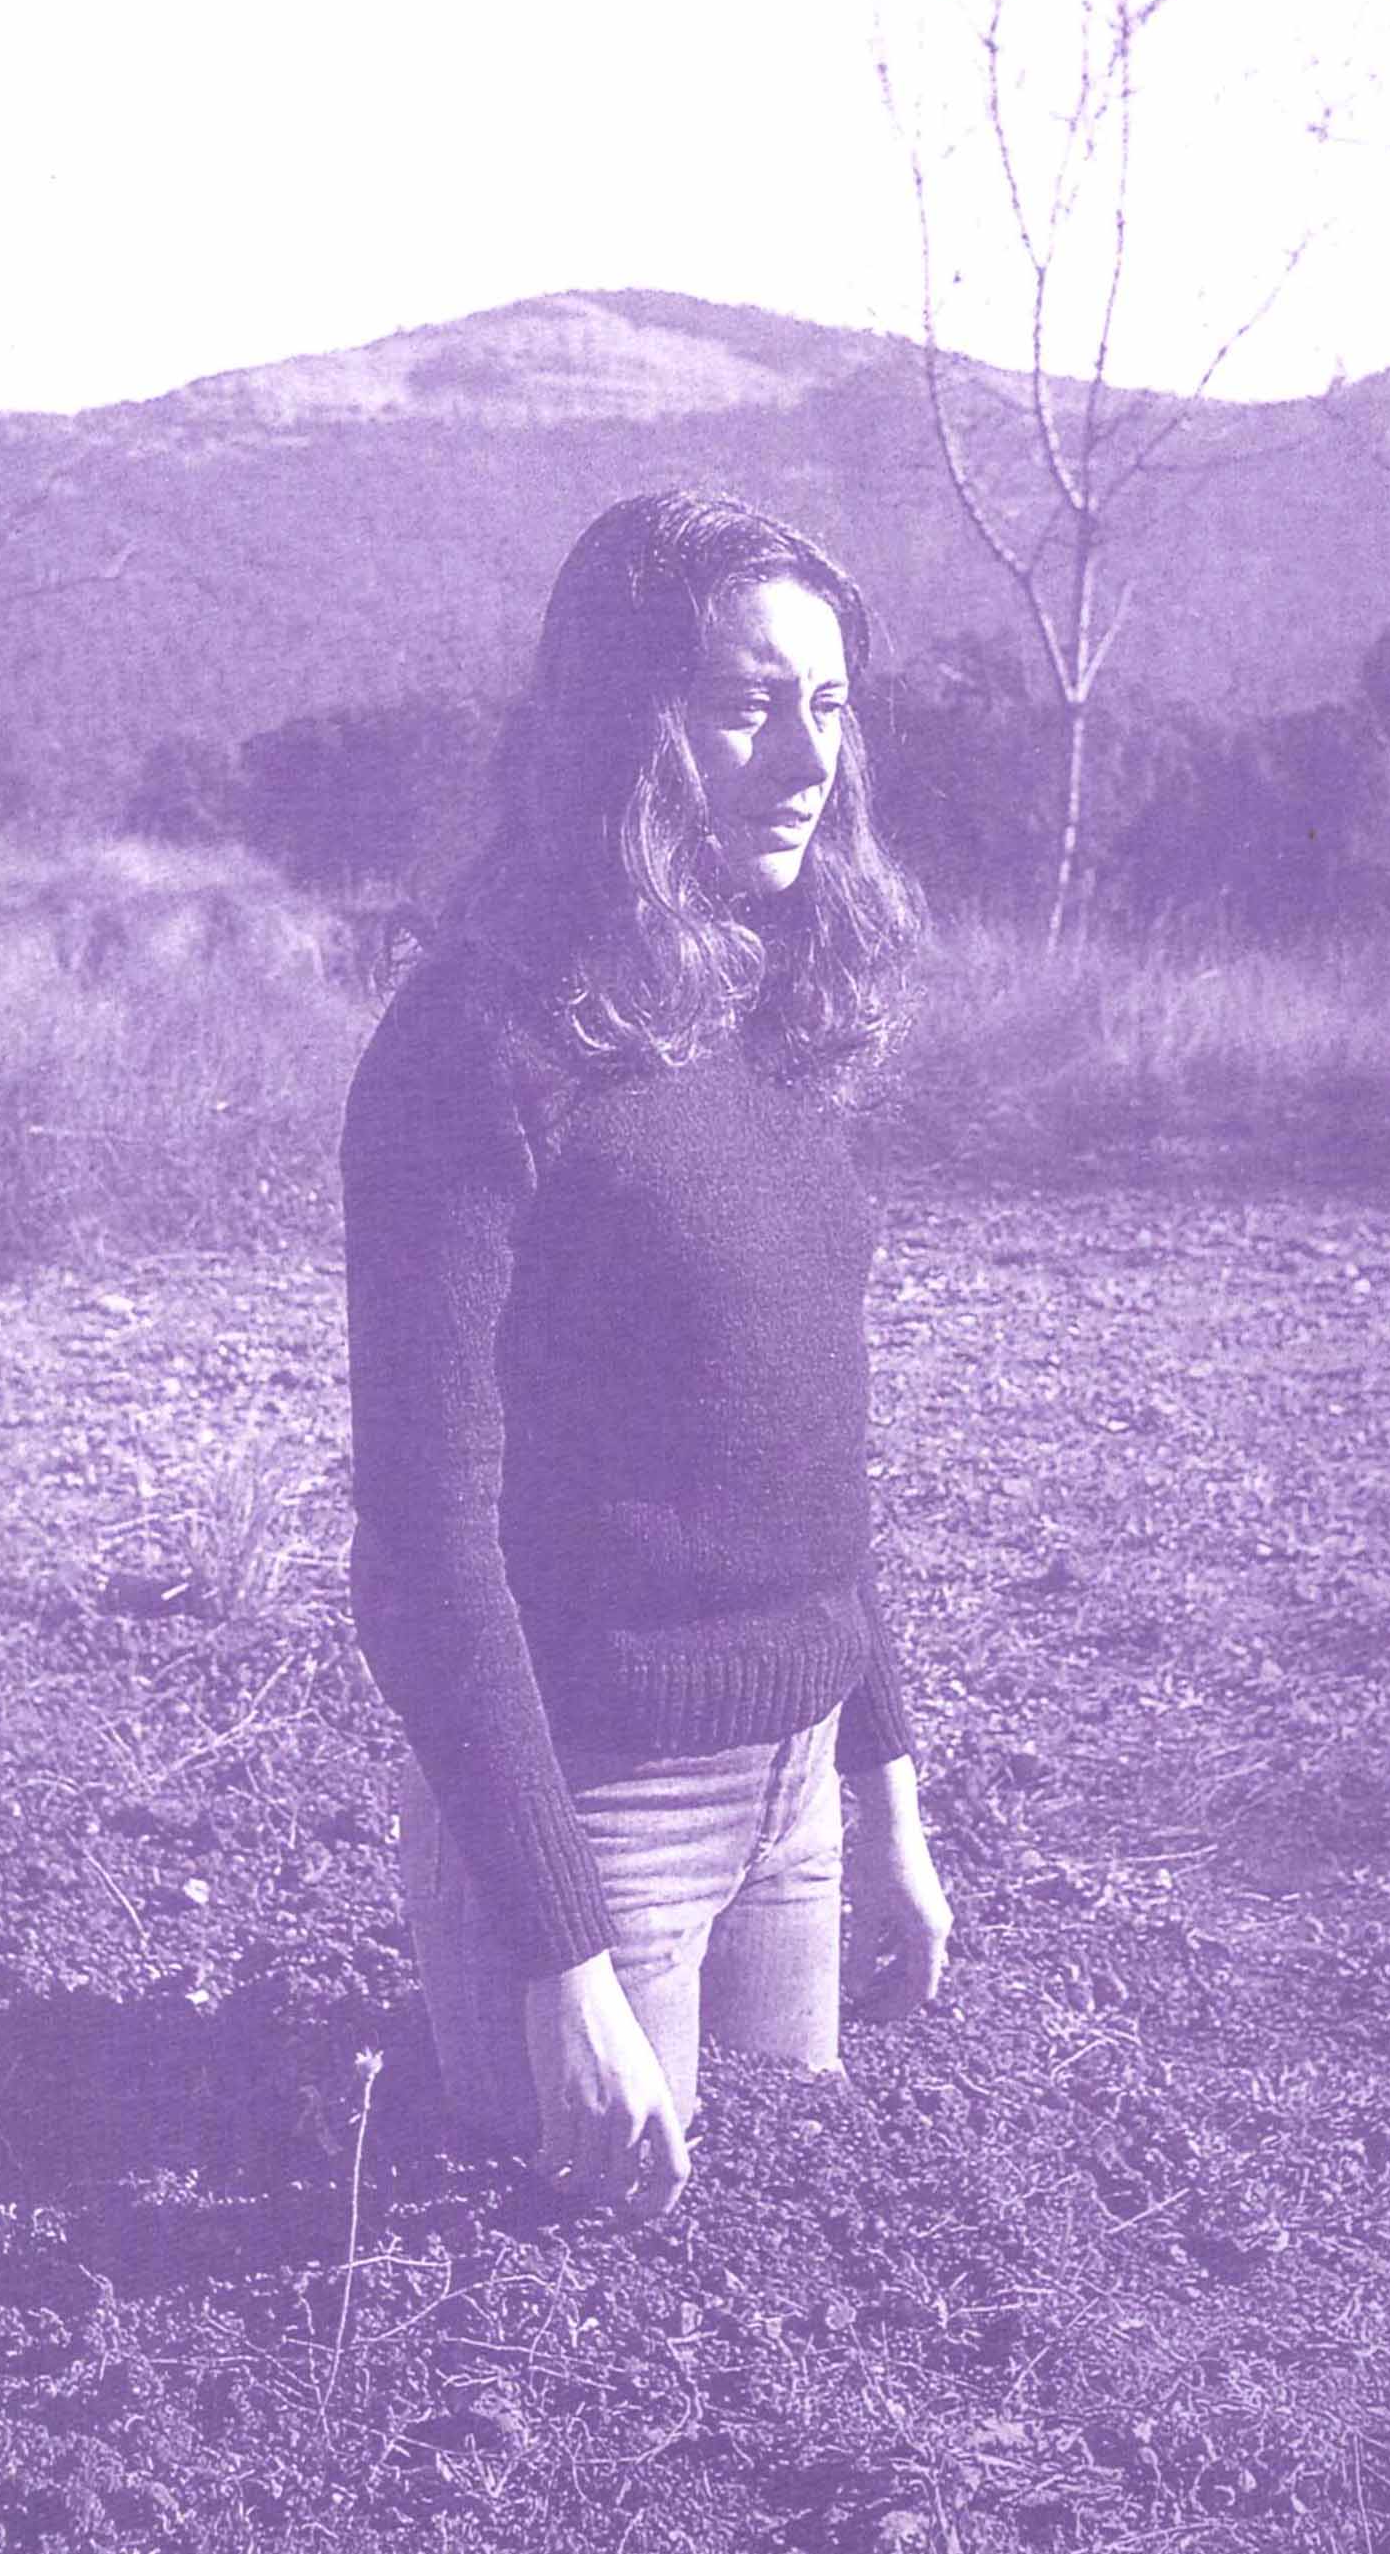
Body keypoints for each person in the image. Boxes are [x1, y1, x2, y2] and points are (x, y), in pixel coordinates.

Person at [340, 488, 953, 2225]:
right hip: (589, 1815)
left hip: (796, 1798)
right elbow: (423, 1548)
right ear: (626, 720)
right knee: (593, 2282)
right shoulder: (473, 1048)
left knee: (780, 2243)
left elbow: (803, 1458)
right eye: (750, 705)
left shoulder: (762, 996)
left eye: (829, 706)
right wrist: (561, 1960)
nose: (808, 758)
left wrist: (885, 1787)